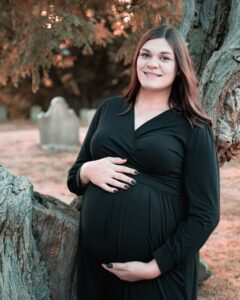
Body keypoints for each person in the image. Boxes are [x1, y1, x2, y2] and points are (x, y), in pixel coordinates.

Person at [67, 24, 220, 300]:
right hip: (97, 273)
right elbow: (74, 178)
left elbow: (206, 214)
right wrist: (89, 170)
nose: (152, 64)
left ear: (179, 68)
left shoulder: (193, 126)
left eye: (164, 58)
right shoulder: (109, 109)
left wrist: (154, 267)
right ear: (136, 59)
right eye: (145, 55)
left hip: (159, 277)